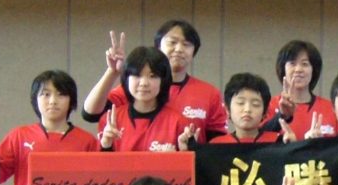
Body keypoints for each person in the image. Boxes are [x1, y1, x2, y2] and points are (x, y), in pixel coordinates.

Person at [81, 22, 228, 142]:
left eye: (186, 44)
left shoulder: (209, 93)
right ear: (158, 46)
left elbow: (217, 141)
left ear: (194, 51)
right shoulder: (139, 89)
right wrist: (112, 72)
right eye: (172, 42)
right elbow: (90, 114)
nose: (179, 49)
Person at [97, 46, 196, 152]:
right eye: (137, 75)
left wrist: (182, 154)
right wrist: (106, 146)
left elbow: (190, 161)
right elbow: (99, 162)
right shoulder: (110, 121)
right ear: (126, 79)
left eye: (152, 76)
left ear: (163, 81)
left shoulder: (178, 122)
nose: (144, 83)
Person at [261, 40, 338, 140]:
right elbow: (258, 140)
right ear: (283, 69)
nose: (298, 69)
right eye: (292, 63)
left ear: (314, 70)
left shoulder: (331, 109)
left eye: (305, 64)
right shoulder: (268, 106)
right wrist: (282, 115)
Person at [210, 72, 280, 144]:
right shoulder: (217, 144)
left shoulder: (278, 141)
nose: (247, 109)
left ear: (264, 113)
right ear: (228, 110)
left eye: (255, 104)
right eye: (240, 103)